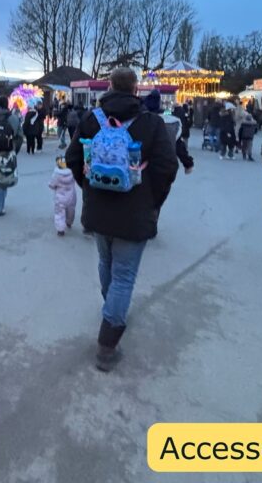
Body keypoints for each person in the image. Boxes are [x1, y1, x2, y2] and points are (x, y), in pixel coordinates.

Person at [65, 68, 178, 372]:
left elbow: (72, 156)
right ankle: (107, 342)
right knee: (125, 274)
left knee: (106, 262)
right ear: (136, 89)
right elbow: (168, 166)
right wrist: (153, 200)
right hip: (135, 210)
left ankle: (111, 306)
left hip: (98, 208)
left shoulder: (92, 119)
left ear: (110, 86)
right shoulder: (151, 123)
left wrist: (89, 186)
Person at [48, 155, 77, 236]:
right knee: (71, 210)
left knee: (59, 213)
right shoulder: (72, 172)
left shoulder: (56, 174)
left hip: (60, 197)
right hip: (71, 196)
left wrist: (53, 186)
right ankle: (69, 222)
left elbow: (51, 184)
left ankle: (60, 230)